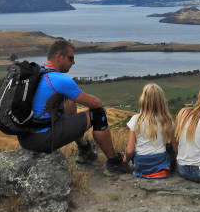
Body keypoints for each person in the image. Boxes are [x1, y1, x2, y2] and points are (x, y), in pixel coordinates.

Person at [17, 39, 131, 175]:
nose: (73, 62)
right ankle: (114, 164)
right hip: (42, 140)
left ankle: (85, 149)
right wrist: (101, 107)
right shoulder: (60, 79)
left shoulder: (38, 73)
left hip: (25, 139)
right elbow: (95, 103)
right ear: (59, 56)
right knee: (98, 113)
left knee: (69, 102)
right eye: (71, 58)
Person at [123, 83, 176, 179]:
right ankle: (164, 169)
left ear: (143, 100)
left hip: (141, 164)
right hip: (161, 162)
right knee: (168, 147)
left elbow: (129, 150)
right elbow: (175, 148)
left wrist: (124, 161)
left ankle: (141, 172)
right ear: (162, 101)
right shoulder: (168, 120)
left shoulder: (135, 119)